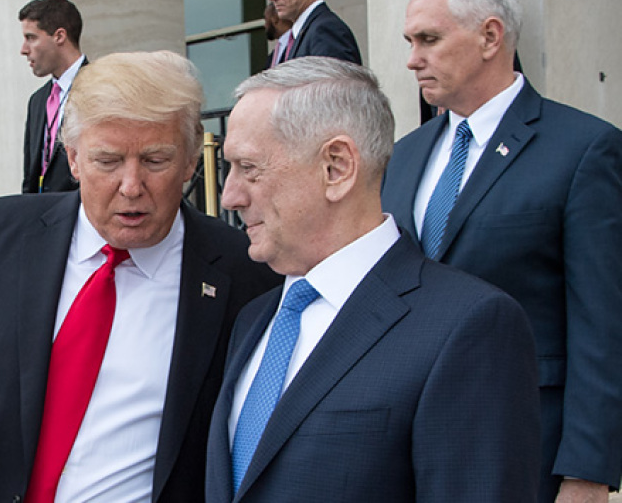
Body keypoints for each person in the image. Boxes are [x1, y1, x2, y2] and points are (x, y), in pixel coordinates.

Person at [0, 51, 280, 503]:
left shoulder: (246, 273)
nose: (130, 185)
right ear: (72, 158)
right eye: (107, 161)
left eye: (155, 160)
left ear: (190, 161)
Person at [205, 56, 541, 502]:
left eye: (249, 168)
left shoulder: (466, 326)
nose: (230, 195)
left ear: (336, 167)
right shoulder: (254, 319)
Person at [382, 0, 622, 502]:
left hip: (526, 448)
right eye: (409, 40)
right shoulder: (403, 157)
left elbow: (603, 326)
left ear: (490, 36)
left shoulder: (584, 149)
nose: (412, 59)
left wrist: (587, 474)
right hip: (410, 451)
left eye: (429, 39)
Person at [19, 0, 87, 194]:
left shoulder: (100, 89)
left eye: (31, 38)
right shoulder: (37, 101)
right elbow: (30, 177)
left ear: (59, 36)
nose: (23, 50)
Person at [263, 3, 292, 69]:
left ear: (275, 18)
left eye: (266, 19)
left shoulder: (299, 43)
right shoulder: (273, 56)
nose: (265, 25)